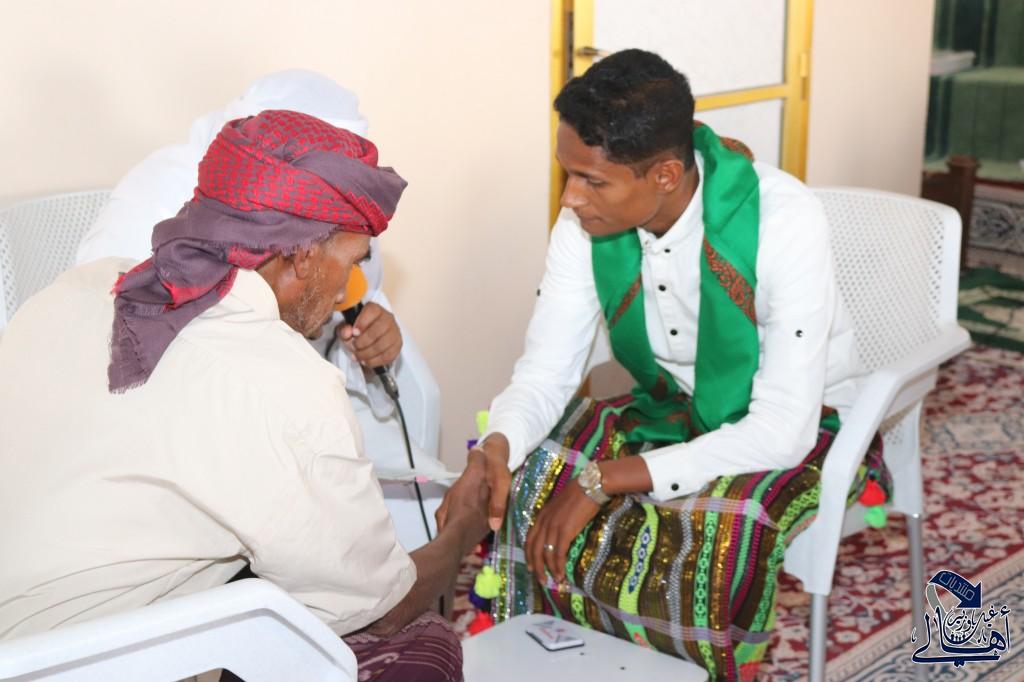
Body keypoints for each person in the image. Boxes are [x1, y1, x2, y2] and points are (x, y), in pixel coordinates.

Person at [437, 50, 884, 681]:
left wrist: (602, 480)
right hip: (672, 404)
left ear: (666, 175)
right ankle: (561, 661)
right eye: (568, 174)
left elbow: (784, 429)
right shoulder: (583, 224)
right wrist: (496, 447)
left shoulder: (783, 220)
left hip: (808, 420)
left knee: (716, 532)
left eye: (592, 181)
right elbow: (545, 371)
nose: (570, 198)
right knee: (536, 473)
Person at [0, 110, 485, 681]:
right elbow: (381, 608)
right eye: (351, 264)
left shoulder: (84, 286)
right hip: (62, 666)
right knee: (420, 641)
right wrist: (464, 528)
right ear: (303, 256)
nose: (345, 294)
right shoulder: (282, 385)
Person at [76, 70, 448, 552]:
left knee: (418, 514)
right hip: (188, 427)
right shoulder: (161, 195)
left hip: (301, 407)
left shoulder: (337, 209)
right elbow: (118, 344)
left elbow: (346, 303)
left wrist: (373, 343)